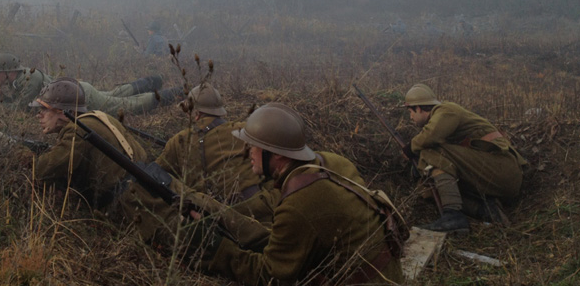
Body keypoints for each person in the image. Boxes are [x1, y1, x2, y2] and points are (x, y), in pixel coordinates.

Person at [199, 103, 404, 285]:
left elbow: (269, 276)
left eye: (254, 145)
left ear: (277, 153)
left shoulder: (299, 203)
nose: (248, 151)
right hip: (389, 274)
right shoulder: (333, 162)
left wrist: (215, 249)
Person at [403, 83, 527, 232]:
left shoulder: (446, 110)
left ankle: (453, 216)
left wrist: (410, 148)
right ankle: (485, 209)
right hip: (493, 175)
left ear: (419, 108)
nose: (410, 117)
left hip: (502, 168)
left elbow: (431, 136)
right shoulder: (441, 120)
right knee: (429, 188)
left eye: (410, 112)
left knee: (431, 151)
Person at [155, 83, 277, 224]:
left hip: (213, 220)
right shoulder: (245, 131)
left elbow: (156, 176)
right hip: (260, 212)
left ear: (196, 114)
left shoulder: (179, 141)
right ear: (219, 111)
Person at [30, 77, 148, 210]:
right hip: (146, 186)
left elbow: (42, 170)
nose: (39, 115)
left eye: (45, 109)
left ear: (66, 113)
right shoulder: (99, 116)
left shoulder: (77, 129)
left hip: (132, 204)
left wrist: (23, 154)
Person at [0, 52, 182, 114]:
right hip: (79, 90)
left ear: (8, 71)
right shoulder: (21, 79)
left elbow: (21, 109)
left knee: (126, 105)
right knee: (115, 94)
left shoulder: (28, 79)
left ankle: (176, 94)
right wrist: (3, 95)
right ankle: (152, 81)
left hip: (80, 96)